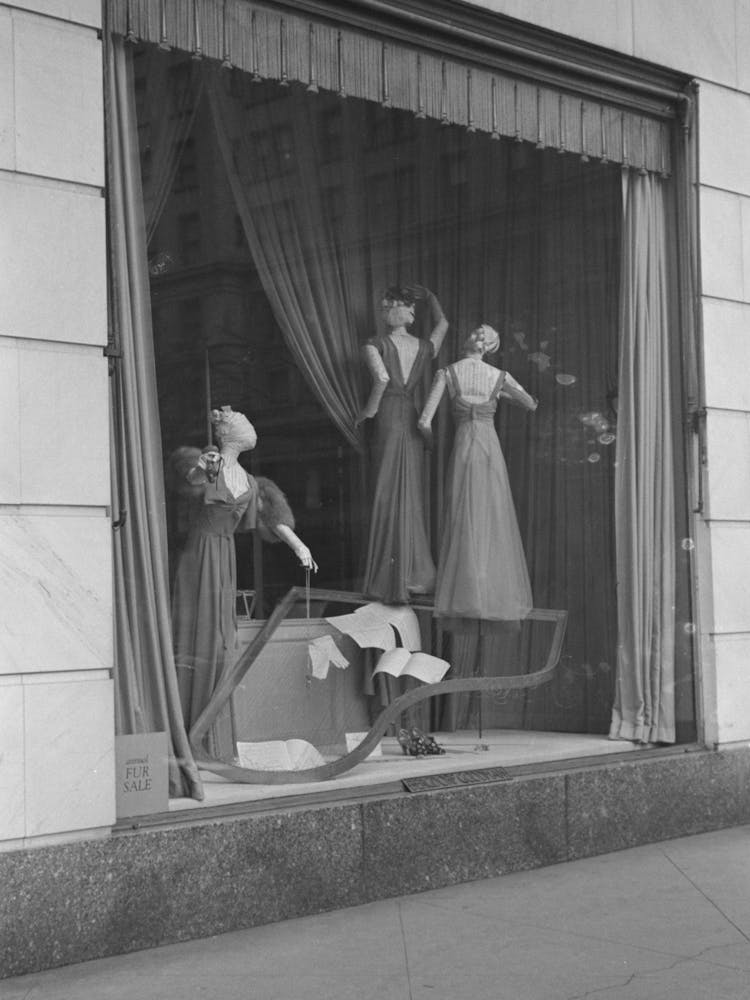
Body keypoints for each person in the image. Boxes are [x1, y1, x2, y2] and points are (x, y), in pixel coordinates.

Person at [170, 406, 316, 752]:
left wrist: (299, 546)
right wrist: (204, 465)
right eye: (243, 423)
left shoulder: (250, 482)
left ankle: (209, 731)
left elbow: (271, 516)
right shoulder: (210, 464)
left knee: (221, 638)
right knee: (198, 633)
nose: (251, 427)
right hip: (200, 555)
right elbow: (190, 478)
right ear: (228, 434)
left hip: (224, 557)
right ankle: (186, 730)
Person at [418, 324, 536, 627]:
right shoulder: (499, 377)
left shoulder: (447, 373)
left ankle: (468, 593)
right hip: (489, 450)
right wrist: (499, 396)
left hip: (463, 451)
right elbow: (529, 402)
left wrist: (429, 448)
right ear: (488, 347)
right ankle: (487, 592)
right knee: (491, 516)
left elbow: (424, 422)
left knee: (463, 516)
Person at [356, 284, 448, 604]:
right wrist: (432, 299)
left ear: (398, 310)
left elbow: (381, 380)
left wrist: (366, 413)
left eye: (385, 308)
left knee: (385, 491)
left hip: (388, 416)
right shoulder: (424, 347)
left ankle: (388, 574)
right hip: (410, 414)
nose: (383, 314)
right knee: (410, 494)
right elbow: (443, 325)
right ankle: (415, 573)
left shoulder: (375, 343)